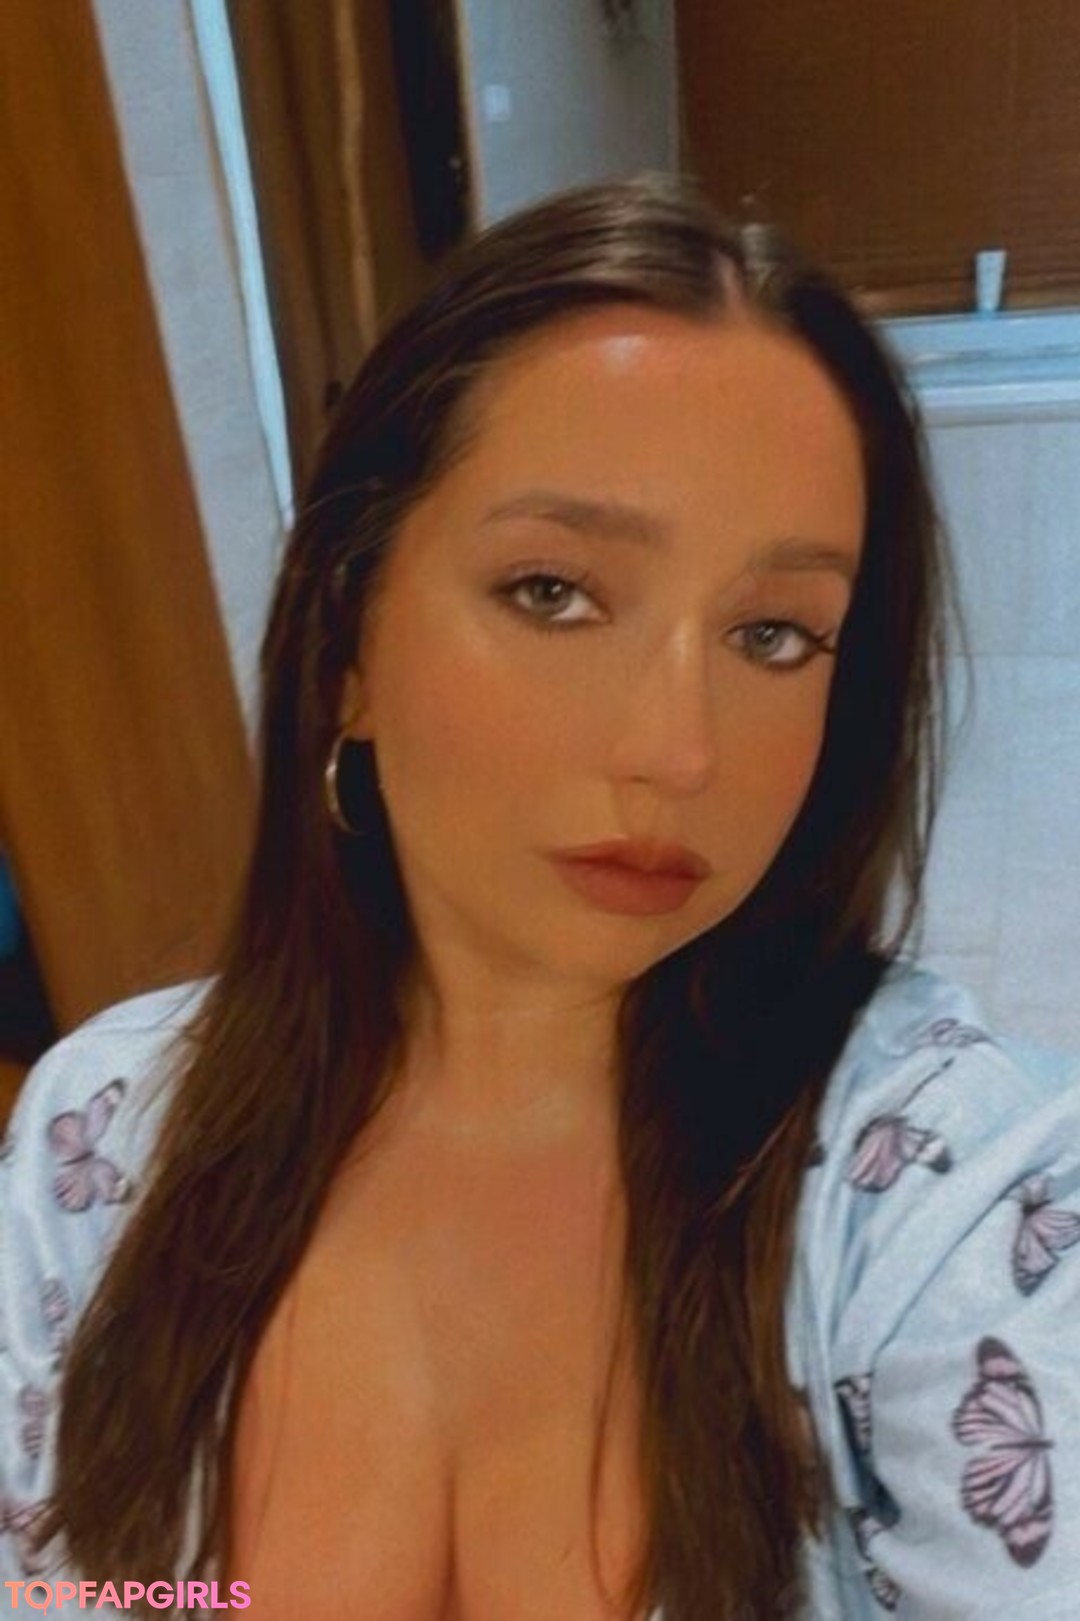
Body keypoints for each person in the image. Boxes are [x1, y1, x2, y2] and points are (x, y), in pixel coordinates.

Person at [1, 173, 1077, 1621]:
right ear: (350, 643)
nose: (678, 752)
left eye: (774, 633)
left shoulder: (944, 1195)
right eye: (555, 592)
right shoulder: (104, 1140)